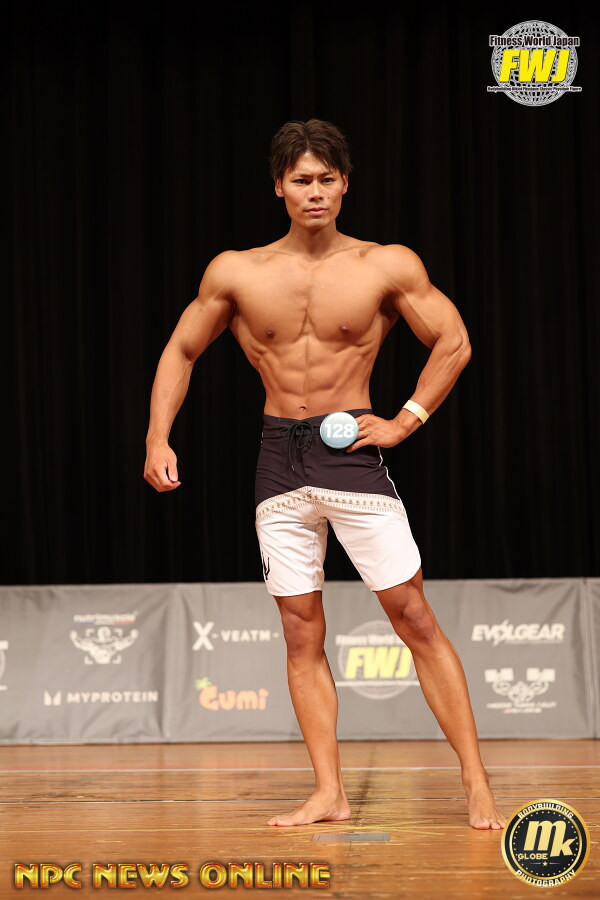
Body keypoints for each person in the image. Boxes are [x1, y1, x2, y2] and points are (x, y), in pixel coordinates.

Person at [144, 118, 507, 831]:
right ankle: (329, 793)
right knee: (299, 632)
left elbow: (454, 340)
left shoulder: (385, 265)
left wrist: (405, 420)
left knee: (412, 616)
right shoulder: (236, 271)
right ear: (279, 187)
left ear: (345, 185)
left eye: (327, 179)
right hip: (277, 457)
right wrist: (158, 436)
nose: (315, 192)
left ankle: (476, 781)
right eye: (301, 180)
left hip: (352, 455)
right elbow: (180, 351)